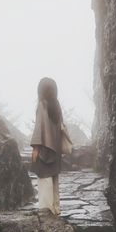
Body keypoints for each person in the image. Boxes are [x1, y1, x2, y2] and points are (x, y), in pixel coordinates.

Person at [30, 77, 71, 215]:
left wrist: (35, 148)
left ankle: (46, 210)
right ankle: (56, 208)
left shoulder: (42, 104)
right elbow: (60, 126)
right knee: (54, 180)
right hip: (56, 149)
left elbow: (38, 128)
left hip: (44, 148)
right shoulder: (56, 105)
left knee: (44, 180)